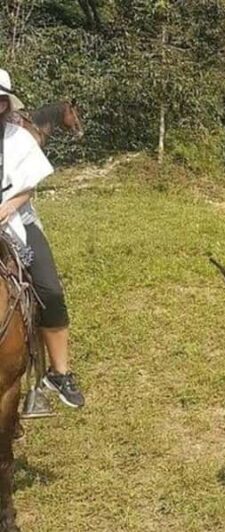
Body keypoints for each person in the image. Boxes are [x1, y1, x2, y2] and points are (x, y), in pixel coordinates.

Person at [0, 68, 85, 408]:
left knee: (49, 288)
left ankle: (59, 372)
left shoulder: (18, 139)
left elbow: (29, 186)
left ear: (5, 104)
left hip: (15, 222)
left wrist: (7, 207)